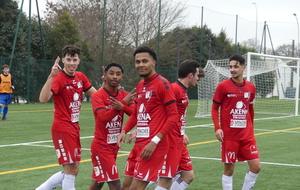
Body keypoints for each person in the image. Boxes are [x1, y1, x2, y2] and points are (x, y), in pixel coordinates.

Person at [117, 45, 178, 190]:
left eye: (145, 61)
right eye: (138, 62)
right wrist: (124, 130)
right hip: (139, 144)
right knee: (125, 186)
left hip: (153, 146)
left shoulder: (163, 84)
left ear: (154, 62)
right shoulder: (140, 85)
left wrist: (154, 141)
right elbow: (137, 113)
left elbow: (173, 116)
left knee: (135, 188)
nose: (141, 65)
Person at [36, 45, 96, 190]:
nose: (71, 63)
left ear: (79, 61)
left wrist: (107, 85)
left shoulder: (81, 77)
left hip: (74, 128)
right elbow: (43, 99)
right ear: (63, 60)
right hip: (62, 128)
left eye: (74, 59)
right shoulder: (58, 78)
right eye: (68, 59)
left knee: (74, 170)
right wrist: (51, 76)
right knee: (71, 170)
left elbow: (97, 95)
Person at [153, 59, 205, 190]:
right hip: (170, 141)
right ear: (190, 75)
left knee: (188, 176)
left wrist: (182, 132)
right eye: (197, 74)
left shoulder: (182, 90)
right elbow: (162, 113)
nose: (198, 78)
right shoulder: (174, 89)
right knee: (165, 180)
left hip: (179, 140)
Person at [211, 54, 261, 190]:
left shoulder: (251, 87)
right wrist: (217, 128)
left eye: (236, 66)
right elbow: (215, 108)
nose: (232, 69)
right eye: (231, 67)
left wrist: (251, 129)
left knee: (256, 167)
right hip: (230, 137)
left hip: (247, 136)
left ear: (243, 68)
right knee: (229, 170)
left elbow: (250, 109)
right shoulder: (223, 86)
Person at [88, 63, 135, 190]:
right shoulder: (98, 95)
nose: (115, 77)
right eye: (111, 73)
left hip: (113, 146)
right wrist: (124, 103)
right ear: (105, 75)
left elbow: (136, 115)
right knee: (115, 184)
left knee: (97, 184)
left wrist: (123, 106)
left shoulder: (124, 94)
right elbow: (103, 117)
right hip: (101, 148)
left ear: (122, 77)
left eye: (118, 74)